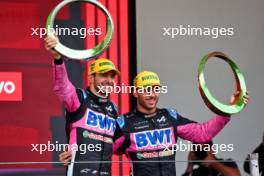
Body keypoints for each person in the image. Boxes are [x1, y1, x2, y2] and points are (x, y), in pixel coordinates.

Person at [113, 71, 249, 176]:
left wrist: (229, 109)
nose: (152, 94)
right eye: (146, 90)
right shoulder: (124, 123)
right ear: (136, 92)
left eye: (155, 89)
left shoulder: (170, 117)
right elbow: (105, 150)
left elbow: (203, 133)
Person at [44, 36, 121, 176]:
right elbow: (62, 87)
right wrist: (57, 58)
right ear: (91, 78)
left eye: (112, 76)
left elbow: (118, 143)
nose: (109, 81)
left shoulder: (113, 108)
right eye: (104, 75)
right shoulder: (79, 98)